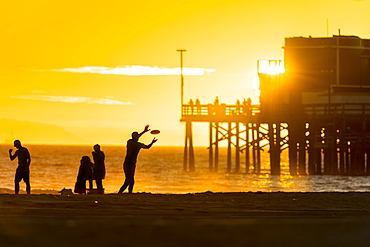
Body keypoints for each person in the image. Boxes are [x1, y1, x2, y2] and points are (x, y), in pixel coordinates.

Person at [118, 125, 157, 194]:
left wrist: (144, 131)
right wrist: (152, 142)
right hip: (129, 163)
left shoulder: (129, 142)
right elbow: (147, 147)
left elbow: (145, 145)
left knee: (131, 180)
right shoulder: (137, 144)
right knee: (129, 180)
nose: (138, 137)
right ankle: (120, 193)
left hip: (130, 163)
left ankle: (128, 193)